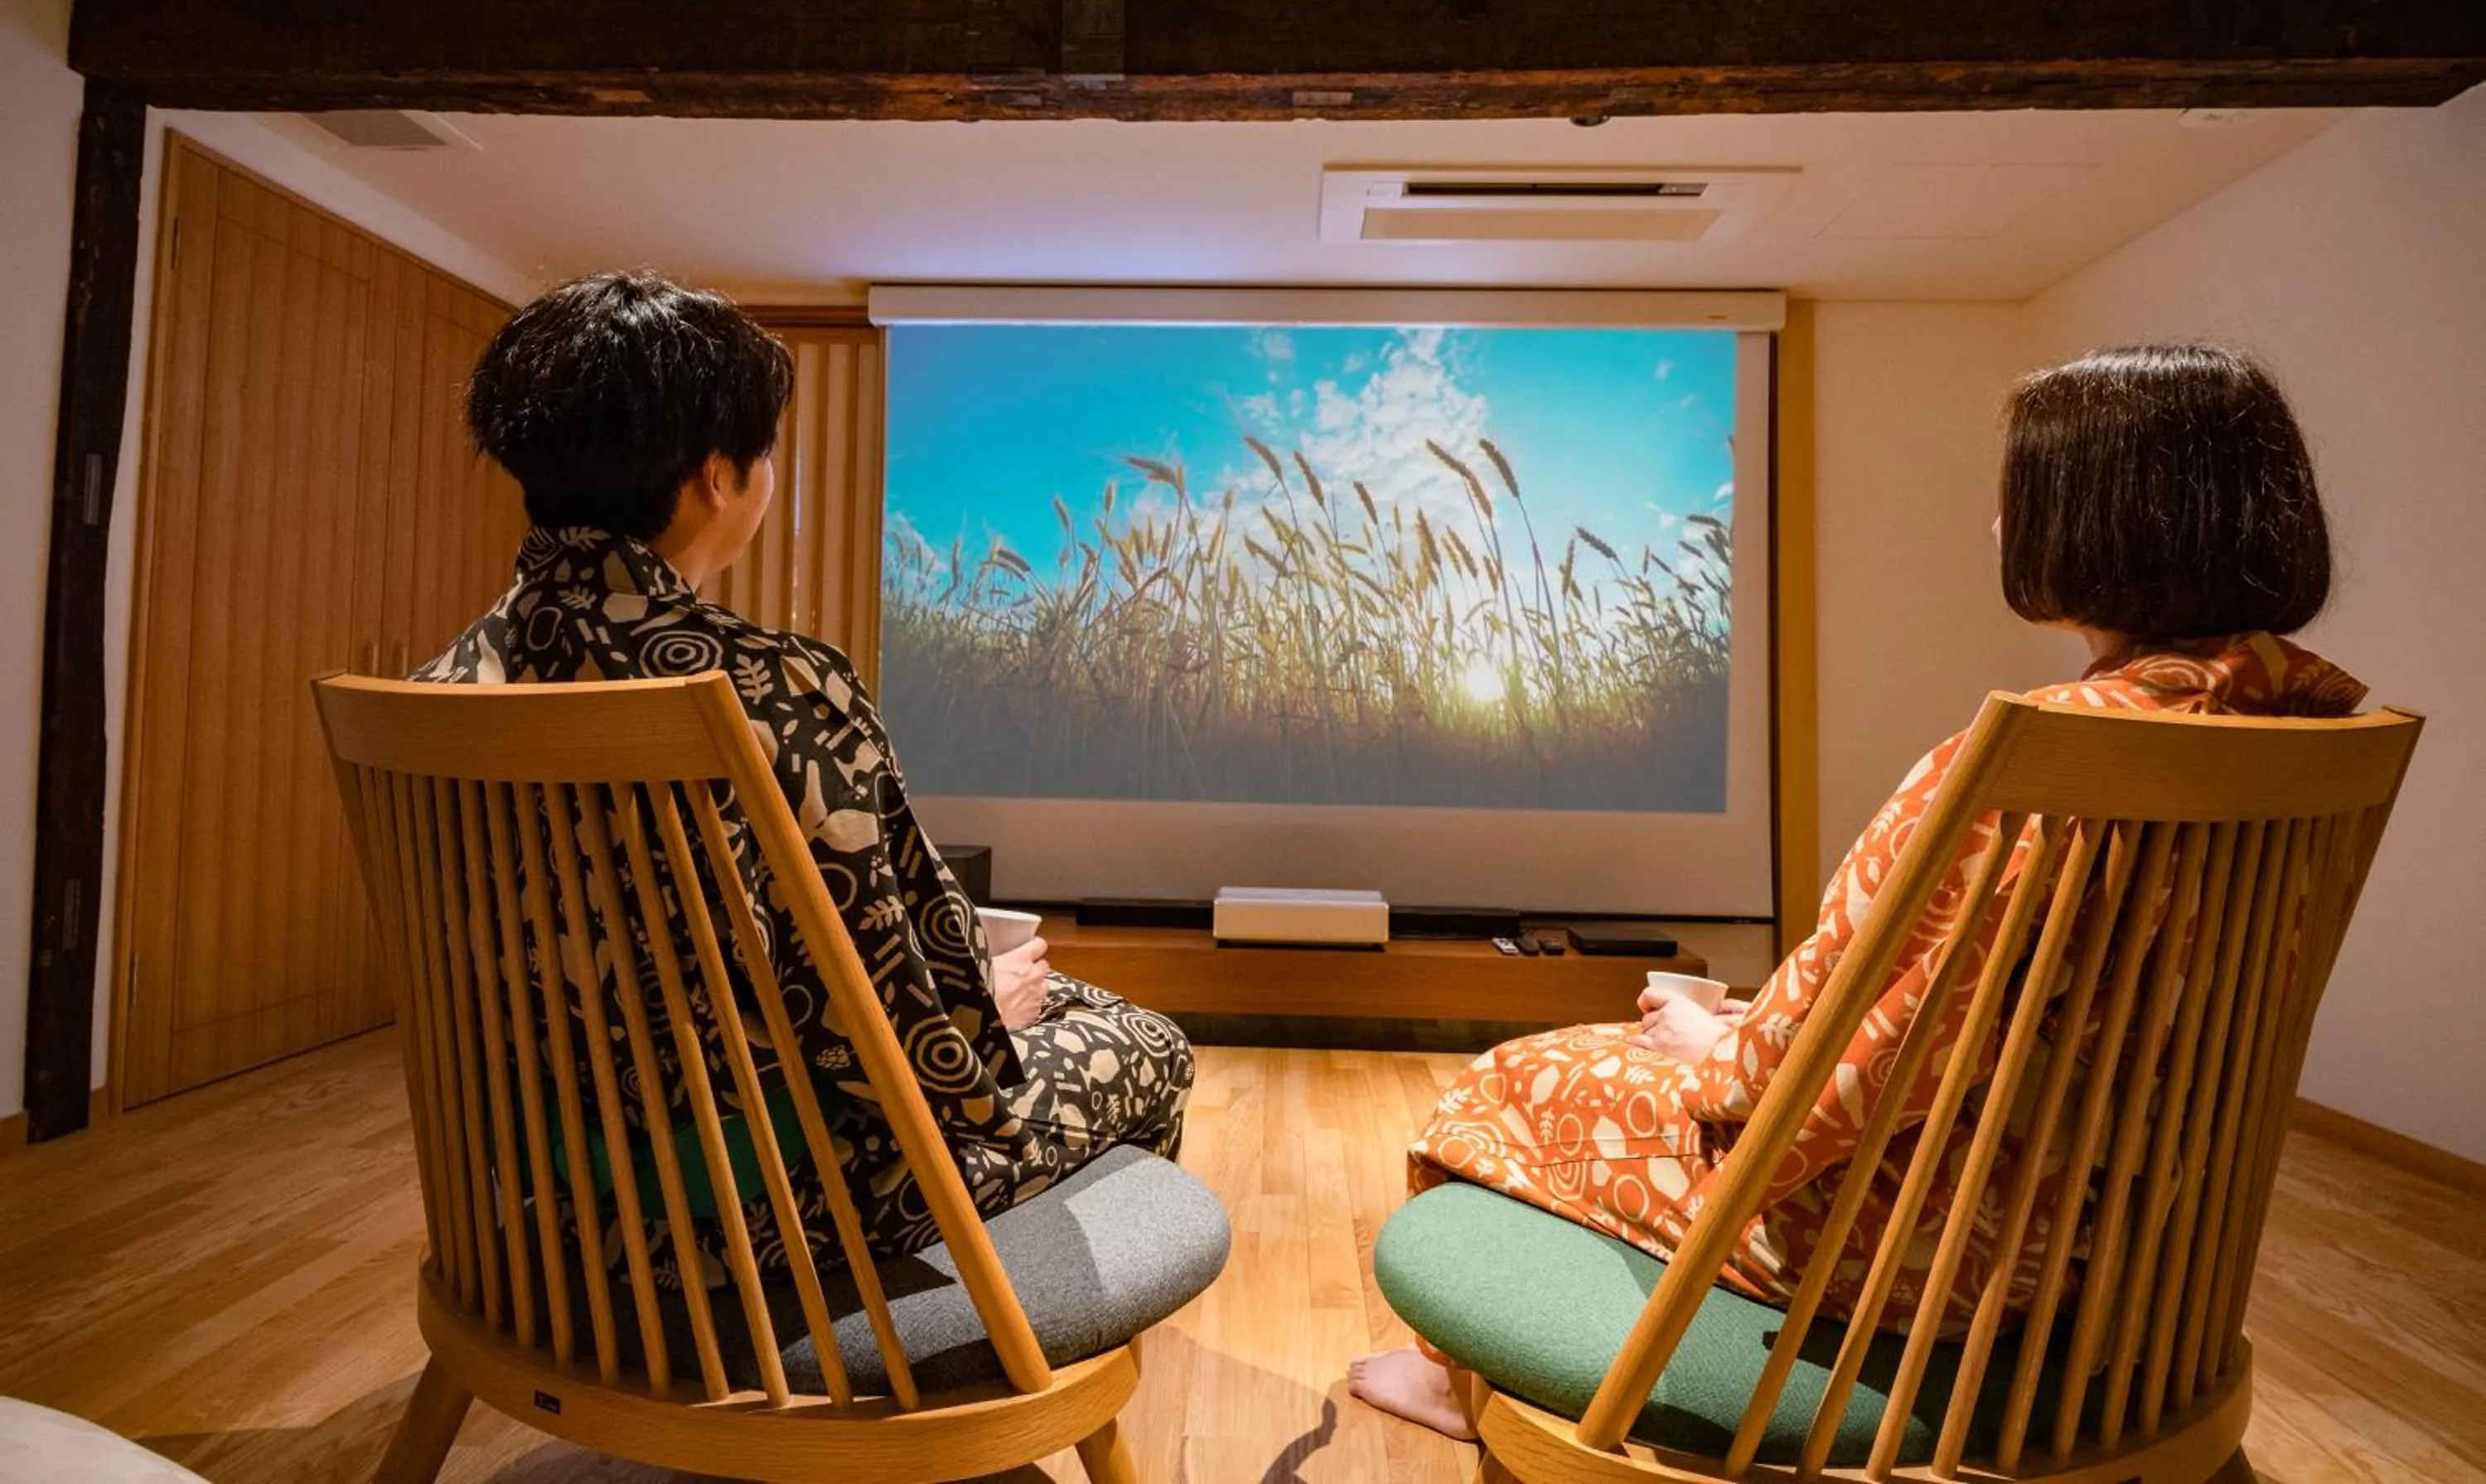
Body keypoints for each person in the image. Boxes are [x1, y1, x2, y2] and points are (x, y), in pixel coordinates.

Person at [1351, 344, 2367, 1439]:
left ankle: (1455, 1379)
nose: (1994, 528)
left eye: (2016, 498)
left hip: (1931, 1244)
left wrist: (1727, 1055)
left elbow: (1809, 1105)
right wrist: (1764, 1025)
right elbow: (1997, 1017)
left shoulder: (2038, 769)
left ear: (2104, 520)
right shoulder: (2294, 724)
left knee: (1507, 1079)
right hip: (2122, 1225)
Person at [419, 270, 1194, 1292]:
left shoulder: (448, 682)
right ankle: (941, 1346)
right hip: (766, 1206)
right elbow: (909, 1043)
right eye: (765, 449)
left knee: (1058, 999)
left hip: (543, 1186)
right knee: (1149, 1041)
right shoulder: (776, 687)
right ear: (713, 475)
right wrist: (984, 1014)